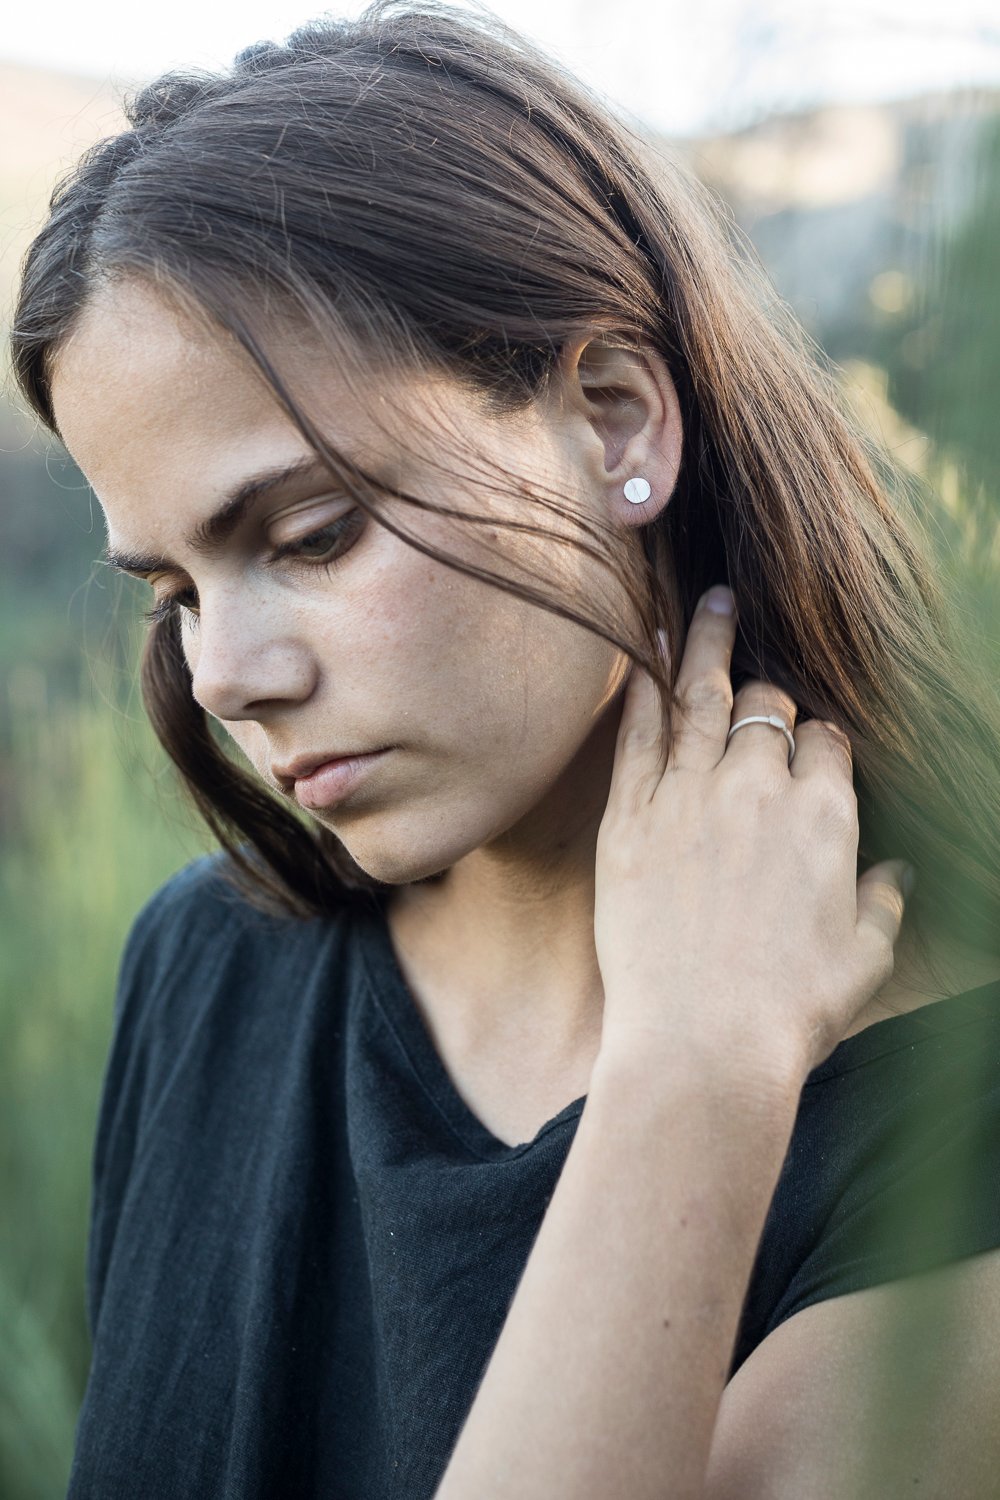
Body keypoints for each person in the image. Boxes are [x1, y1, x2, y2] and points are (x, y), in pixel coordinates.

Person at [11, 2, 1000, 1495]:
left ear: (613, 424)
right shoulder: (209, 964)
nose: (222, 675)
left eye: (313, 532)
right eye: (174, 592)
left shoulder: (949, 1136)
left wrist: (695, 1077)